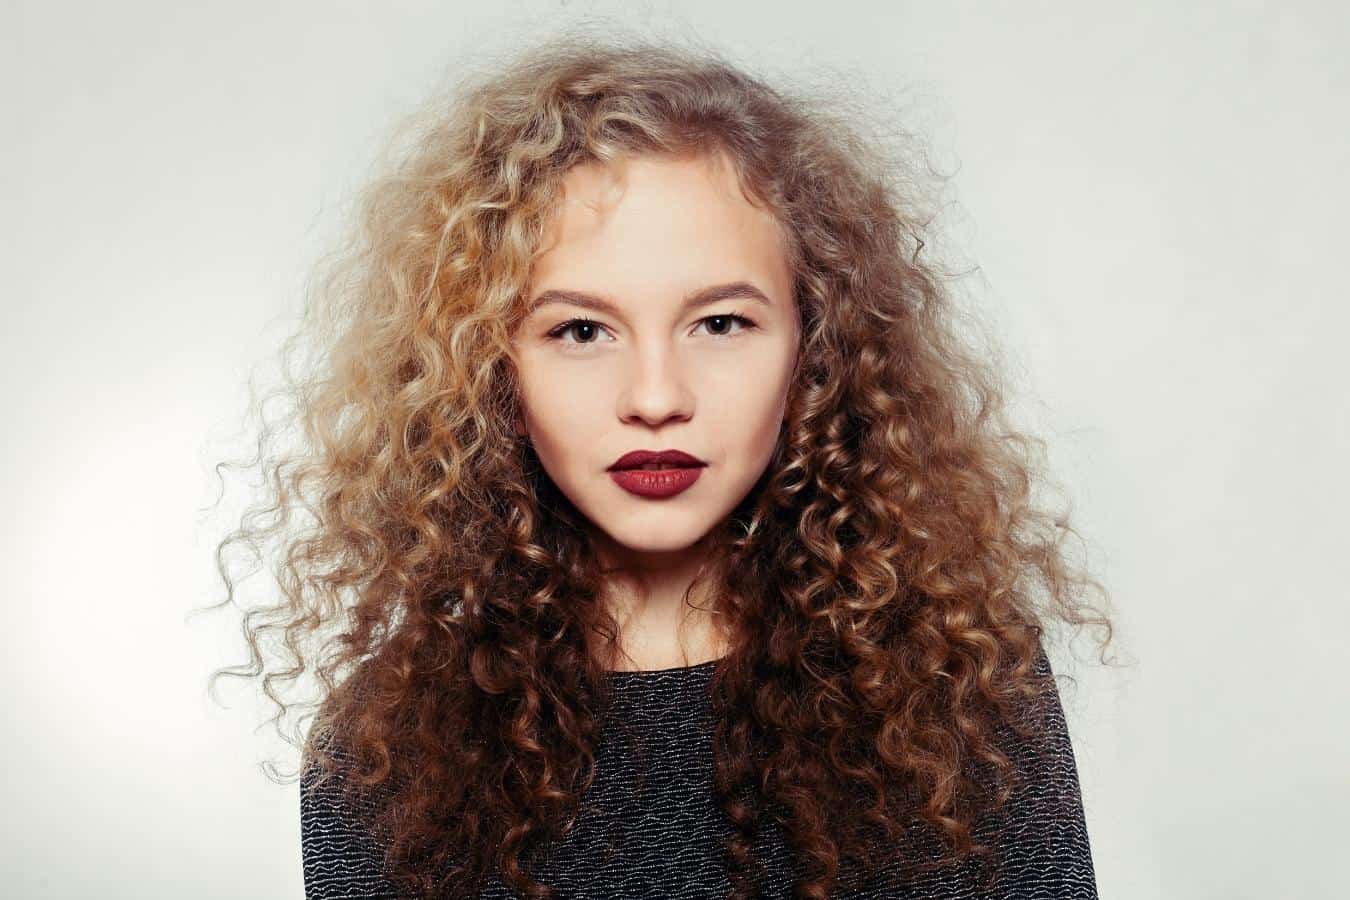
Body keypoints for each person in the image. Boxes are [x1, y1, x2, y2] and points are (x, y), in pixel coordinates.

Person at [210, 28, 1115, 900]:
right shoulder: (383, 750)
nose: (654, 396)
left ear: (818, 348)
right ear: (491, 368)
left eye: (720, 322)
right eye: (580, 330)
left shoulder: (958, 683)